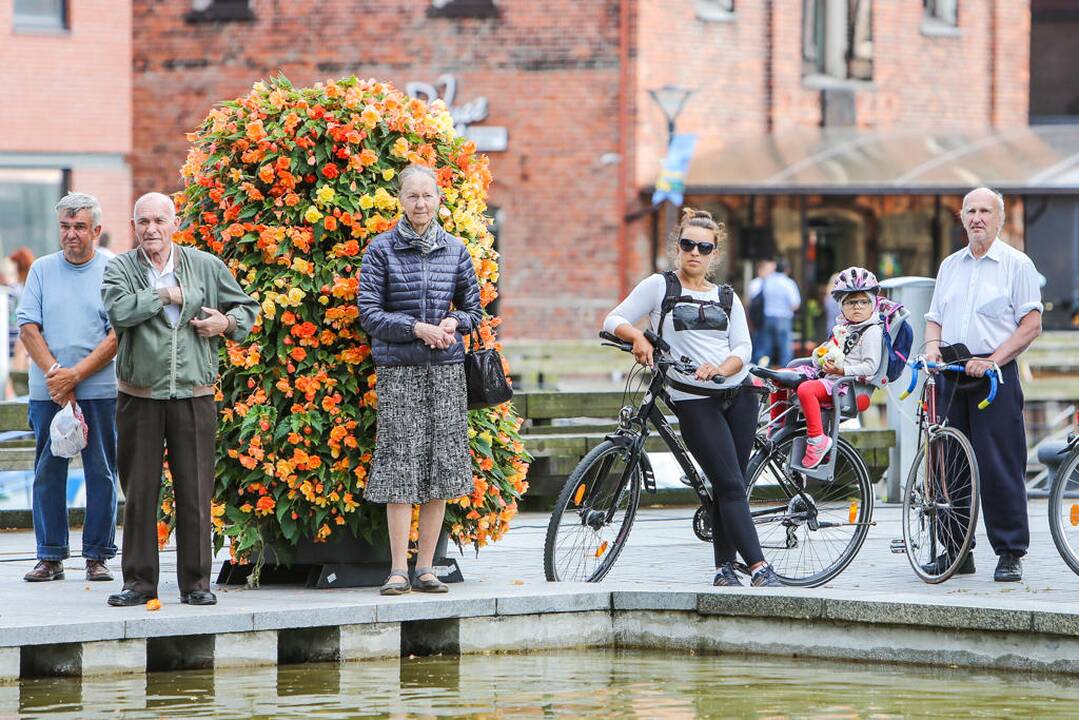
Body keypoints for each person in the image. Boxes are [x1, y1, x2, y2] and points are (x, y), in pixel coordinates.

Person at [603, 208, 780, 587]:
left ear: (714, 253)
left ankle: (724, 569)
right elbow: (612, 319)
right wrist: (636, 336)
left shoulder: (728, 297)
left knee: (728, 482)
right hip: (693, 399)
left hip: (741, 393)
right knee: (730, 483)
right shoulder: (659, 286)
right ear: (677, 247)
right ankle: (760, 568)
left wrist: (723, 367)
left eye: (704, 247)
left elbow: (744, 349)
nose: (695, 252)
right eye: (688, 245)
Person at [101, 192, 258, 606]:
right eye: (143, 221)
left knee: (195, 491)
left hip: (194, 393)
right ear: (133, 226)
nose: (151, 229)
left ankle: (196, 584)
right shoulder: (119, 268)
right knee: (139, 492)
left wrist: (226, 322)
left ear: (174, 223)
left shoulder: (205, 265)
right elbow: (119, 313)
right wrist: (168, 295)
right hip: (139, 395)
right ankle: (138, 583)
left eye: (159, 220)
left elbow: (247, 310)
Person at [358, 164, 482, 597]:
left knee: (442, 466)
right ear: (399, 200)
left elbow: (474, 309)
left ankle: (426, 568)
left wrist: (452, 321)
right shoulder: (381, 250)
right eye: (412, 196)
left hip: (447, 371)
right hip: (399, 372)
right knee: (399, 467)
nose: (420, 204)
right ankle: (396, 569)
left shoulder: (455, 250)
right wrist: (416, 328)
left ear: (439, 199)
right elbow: (369, 314)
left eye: (428, 196)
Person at [925, 186, 1043, 582]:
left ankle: (1010, 551)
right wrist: (930, 350)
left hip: (995, 374)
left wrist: (992, 360)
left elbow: (1031, 325)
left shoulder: (1017, 264)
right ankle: (956, 551)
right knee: (948, 464)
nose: (977, 218)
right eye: (971, 211)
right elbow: (934, 316)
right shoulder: (950, 266)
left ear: (1000, 219)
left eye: (985, 211)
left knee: (1000, 463)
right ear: (961, 217)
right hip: (952, 372)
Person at [16, 193, 119, 583]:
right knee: (48, 472)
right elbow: (28, 328)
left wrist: (76, 375)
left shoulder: (114, 269)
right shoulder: (41, 270)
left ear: (96, 230)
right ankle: (50, 556)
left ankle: (97, 555)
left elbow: (117, 334)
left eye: (79, 227)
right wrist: (58, 374)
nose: (71, 234)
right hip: (49, 393)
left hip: (99, 390)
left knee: (101, 473)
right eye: (64, 226)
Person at [767, 267, 883, 468]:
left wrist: (842, 370)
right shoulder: (843, 328)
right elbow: (822, 352)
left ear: (872, 303)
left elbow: (870, 367)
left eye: (863, 301)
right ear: (841, 305)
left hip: (846, 386)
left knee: (806, 389)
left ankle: (817, 439)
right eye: (850, 302)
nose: (857, 307)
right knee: (781, 376)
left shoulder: (872, 331)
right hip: (827, 377)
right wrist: (820, 356)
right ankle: (778, 424)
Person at [749, 258, 800, 367]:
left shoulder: (767, 281)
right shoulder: (788, 283)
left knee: (766, 348)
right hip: (783, 318)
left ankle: (762, 371)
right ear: (787, 269)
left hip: (768, 317)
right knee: (785, 348)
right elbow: (795, 304)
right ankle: (785, 373)